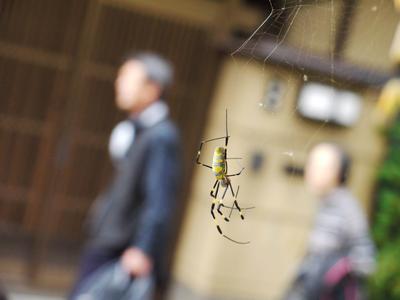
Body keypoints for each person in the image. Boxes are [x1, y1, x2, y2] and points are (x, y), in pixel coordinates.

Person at [70, 52, 181, 299]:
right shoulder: (140, 130)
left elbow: (159, 200)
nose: (119, 83)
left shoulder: (160, 136)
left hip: (121, 249)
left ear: (152, 89)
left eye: (128, 78)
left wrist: (142, 248)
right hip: (109, 240)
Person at [284, 143, 375, 300]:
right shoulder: (326, 203)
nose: (311, 171)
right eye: (311, 164)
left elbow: (366, 260)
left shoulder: (346, 208)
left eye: (320, 166)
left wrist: (335, 271)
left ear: (338, 172)